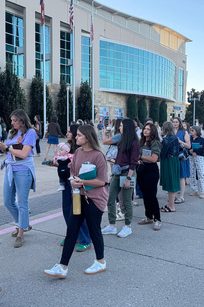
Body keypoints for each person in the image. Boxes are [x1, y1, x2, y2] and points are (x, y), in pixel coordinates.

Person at [43, 125, 109, 278]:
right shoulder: (78, 152)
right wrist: (73, 181)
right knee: (71, 231)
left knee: (94, 230)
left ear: (87, 137)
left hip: (94, 198)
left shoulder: (98, 155)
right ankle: (62, 266)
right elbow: (73, 172)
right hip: (78, 196)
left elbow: (103, 181)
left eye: (79, 135)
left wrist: (83, 182)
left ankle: (100, 261)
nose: (75, 137)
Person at [0, 110, 36, 248]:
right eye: (11, 120)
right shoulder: (12, 132)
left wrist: (7, 148)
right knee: (7, 201)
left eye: (14, 120)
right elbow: (9, 151)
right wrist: (2, 148)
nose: (12, 123)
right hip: (10, 168)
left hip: (23, 170)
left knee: (22, 202)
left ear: (22, 120)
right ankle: (24, 224)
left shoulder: (30, 132)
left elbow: (24, 154)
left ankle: (21, 232)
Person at [52, 124, 92, 251]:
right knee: (66, 210)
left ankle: (85, 238)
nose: (67, 134)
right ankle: (72, 235)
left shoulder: (80, 149)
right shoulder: (67, 147)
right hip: (65, 181)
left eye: (70, 132)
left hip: (76, 182)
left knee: (77, 211)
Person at [101, 118, 140, 238]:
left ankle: (127, 226)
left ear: (127, 127)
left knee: (127, 201)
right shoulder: (122, 140)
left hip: (127, 174)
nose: (119, 127)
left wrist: (128, 178)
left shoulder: (134, 142)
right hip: (118, 173)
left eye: (121, 126)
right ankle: (112, 225)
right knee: (110, 198)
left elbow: (134, 162)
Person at [136, 123, 162, 230]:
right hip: (141, 169)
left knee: (151, 195)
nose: (145, 131)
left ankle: (157, 219)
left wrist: (140, 156)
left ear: (153, 131)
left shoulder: (155, 143)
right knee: (145, 194)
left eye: (148, 129)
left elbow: (154, 159)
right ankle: (148, 216)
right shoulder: (142, 141)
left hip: (151, 170)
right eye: (144, 129)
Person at [159, 121, 180, 212]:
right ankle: (170, 204)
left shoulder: (167, 139)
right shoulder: (175, 137)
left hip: (168, 161)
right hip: (174, 160)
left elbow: (163, 153)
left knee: (170, 182)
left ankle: (171, 205)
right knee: (173, 181)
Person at [172, 117, 190, 203]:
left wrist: (180, 141)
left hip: (181, 157)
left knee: (181, 177)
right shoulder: (171, 132)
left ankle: (181, 196)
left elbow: (188, 146)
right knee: (174, 176)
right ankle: (174, 195)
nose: (175, 123)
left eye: (176, 122)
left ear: (179, 123)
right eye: (173, 122)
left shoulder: (184, 132)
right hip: (173, 157)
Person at [188, 125, 204, 198]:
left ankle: (203, 191)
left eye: (192, 130)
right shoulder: (190, 138)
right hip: (191, 156)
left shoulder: (201, 139)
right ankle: (195, 189)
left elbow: (203, 149)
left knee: (201, 173)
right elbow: (188, 147)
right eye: (190, 130)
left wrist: (195, 151)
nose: (191, 132)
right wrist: (190, 151)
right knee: (192, 173)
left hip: (199, 157)